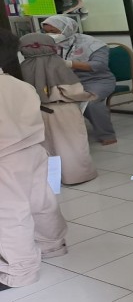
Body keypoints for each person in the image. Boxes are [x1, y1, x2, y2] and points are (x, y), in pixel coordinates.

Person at [0, 29, 68, 291]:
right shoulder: (20, 85)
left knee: (10, 213)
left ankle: (20, 271)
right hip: (33, 151)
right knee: (42, 201)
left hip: (4, 159)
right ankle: (53, 246)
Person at [19, 33, 98, 185]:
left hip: (37, 111)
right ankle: (77, 176)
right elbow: (73, 91)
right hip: (63, 109)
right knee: (72, 144)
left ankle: (53, 180)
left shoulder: (22, 67)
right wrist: (89, 95)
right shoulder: (58, 64)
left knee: (47, 146)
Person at [41, 15, 117, 145]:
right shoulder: (48, 44)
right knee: (49, 101)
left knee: (91, 102)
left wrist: (70, 64)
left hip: (96, 80)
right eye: (46, 32)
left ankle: (107, 135)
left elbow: (99, 65)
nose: (50, 35)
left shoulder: (93, 44)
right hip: (67, 81)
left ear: (66, 29)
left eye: (53, 31)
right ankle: (64, 136)